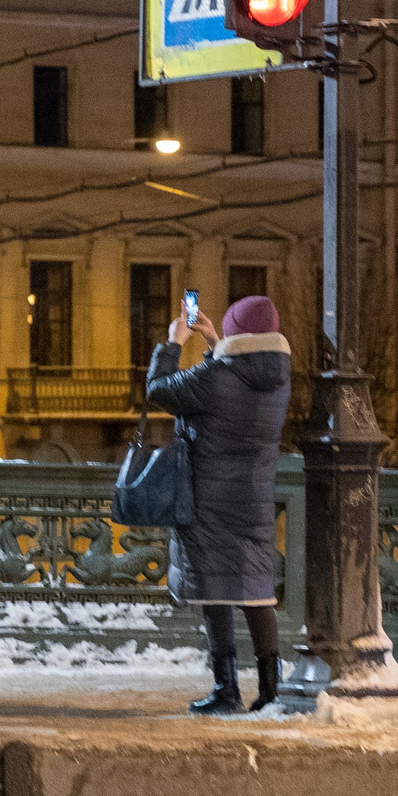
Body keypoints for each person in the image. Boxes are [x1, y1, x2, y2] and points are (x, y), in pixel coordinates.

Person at [146, 294, 293, 715]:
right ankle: (270, 691)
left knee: (216, 590)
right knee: (256, 591)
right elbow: (233, 378)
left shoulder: (216, 378)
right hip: (254, 496)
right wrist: (215, 343)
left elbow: (160, 390)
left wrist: (173, 344)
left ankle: (226, 689)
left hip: (210, 496)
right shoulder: (278, 375)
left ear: (237, 333)